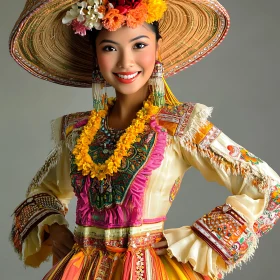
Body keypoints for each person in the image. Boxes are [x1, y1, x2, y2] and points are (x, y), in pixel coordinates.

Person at [9, 0, 280, 279]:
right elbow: (41, 192)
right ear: (95, 55)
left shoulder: (179, 126)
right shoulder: (78, 131)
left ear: (157, 48)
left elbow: (267, 186)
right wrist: (55, 228)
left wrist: (198, 238)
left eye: (139, 45)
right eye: (110, 48)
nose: (126, 62)